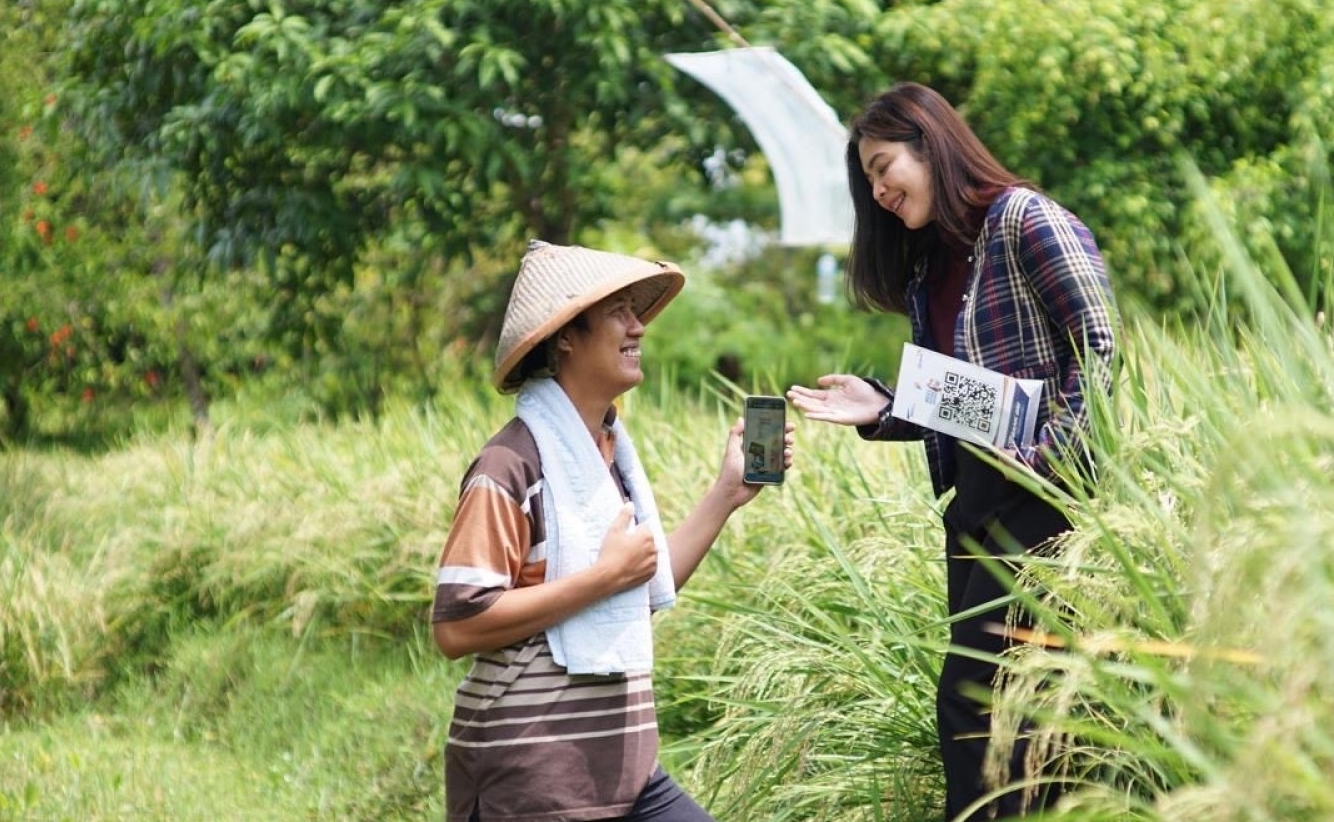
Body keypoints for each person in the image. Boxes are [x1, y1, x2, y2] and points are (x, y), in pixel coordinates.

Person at [787, 82, 1118, 820]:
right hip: (974, 504)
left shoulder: (1025, 220)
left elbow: (1099, 348)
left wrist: (1050, 460)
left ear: (930, 145)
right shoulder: (930, 269)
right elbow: (971, 403)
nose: (878, 192)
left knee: (976, 703)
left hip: (1045, 500)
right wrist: (886, 407)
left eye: (883, 168)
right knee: (1006, 710)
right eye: (869, 181)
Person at [431, 240, 794, 822]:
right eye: (619, 312)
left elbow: (637, 585)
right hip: (533, 776)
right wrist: (602, 578)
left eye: (637, 312)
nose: (638, 327)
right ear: (566, 336)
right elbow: (456, 626)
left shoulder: (607, 457)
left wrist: (726, 494)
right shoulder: (510, 465)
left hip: (623, 770)